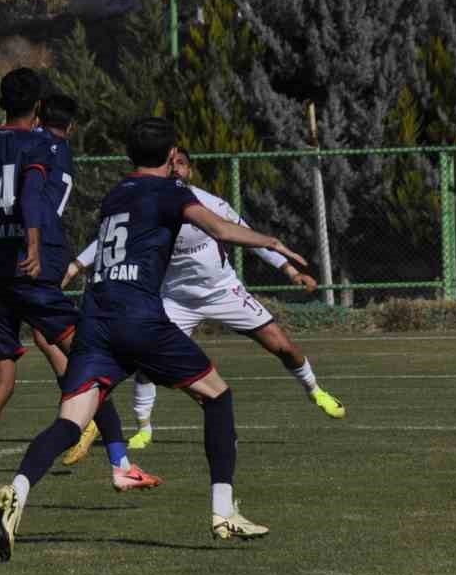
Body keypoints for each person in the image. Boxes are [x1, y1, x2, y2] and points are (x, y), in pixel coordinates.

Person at [0, 117, 309, 560]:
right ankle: (223, 512)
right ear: (173, 154)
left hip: (95, 317)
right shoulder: (171, 192)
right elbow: (219, 229)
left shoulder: (115, 194)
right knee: (217, 396)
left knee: (70, 422)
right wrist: (273, 242)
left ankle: (17, 490)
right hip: (138, 316)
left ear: (128, 157)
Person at [0, 77, 157, 508]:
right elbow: (31, 200)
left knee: (1, 379)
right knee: (91, 359)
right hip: (32, 266)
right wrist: (35, 244)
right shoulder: (44, 147)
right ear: (39, 110)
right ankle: (120, 463)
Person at [63, 147, 345, 449]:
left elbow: (248, 236)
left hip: (223, 290)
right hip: (176, 298)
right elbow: (109, 236)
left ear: (191, 171)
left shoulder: (210, 204)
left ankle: (314, 389)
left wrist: (291, 271)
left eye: (183, 164)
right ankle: (144, 428)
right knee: (146, 365)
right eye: (173, 164)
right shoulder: (152, 201)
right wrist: (77, 265)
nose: (177, 170)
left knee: (282, 345)